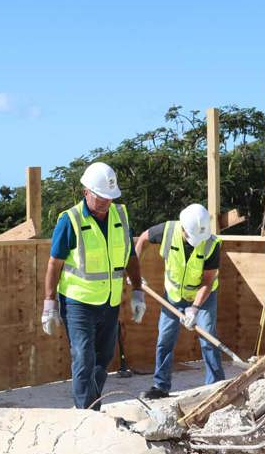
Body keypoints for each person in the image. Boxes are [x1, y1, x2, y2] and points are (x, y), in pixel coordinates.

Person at [41, 162, 145, 410]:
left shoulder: (120, 215)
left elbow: (130, 255)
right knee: (83, 357)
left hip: (109, 302)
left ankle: (92, 406)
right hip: (78, 303)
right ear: (86, 191)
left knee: (103, 358)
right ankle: (83, 411)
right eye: (100, 197)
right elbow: (54, 263)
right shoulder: (71, 220)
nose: (105, 202)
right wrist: (49, 303)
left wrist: (138, 291)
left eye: (109, 197)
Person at [134, 204, 225, 399]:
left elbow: (207, 282)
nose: (195, 243)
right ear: (183, 228)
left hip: (203, 297)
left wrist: (194, 309)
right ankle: (161, 386)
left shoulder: (211, 243)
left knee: (208, 338)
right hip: (173, 295)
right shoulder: (167, 231)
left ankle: (216, 387)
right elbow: (142, 238)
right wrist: (135, 270)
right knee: (164, 340)